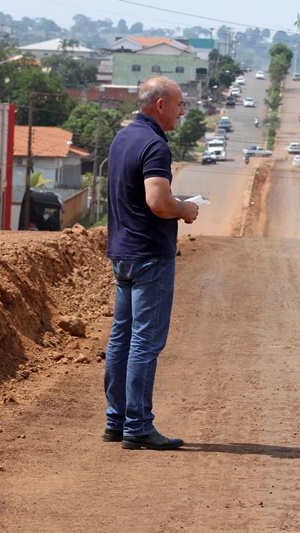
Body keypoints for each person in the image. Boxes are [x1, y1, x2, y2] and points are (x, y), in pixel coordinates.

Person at [103, 76, 199, 451]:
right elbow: (159, 202)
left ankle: (117, 420)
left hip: (123, 253)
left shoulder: (123, 137)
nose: (182, 111)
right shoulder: (155, 144)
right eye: (179, 104)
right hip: (149, 257)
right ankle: (138, 426)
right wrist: (186, 209)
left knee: (121, 340)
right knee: (145, 342)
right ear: (159, 105)